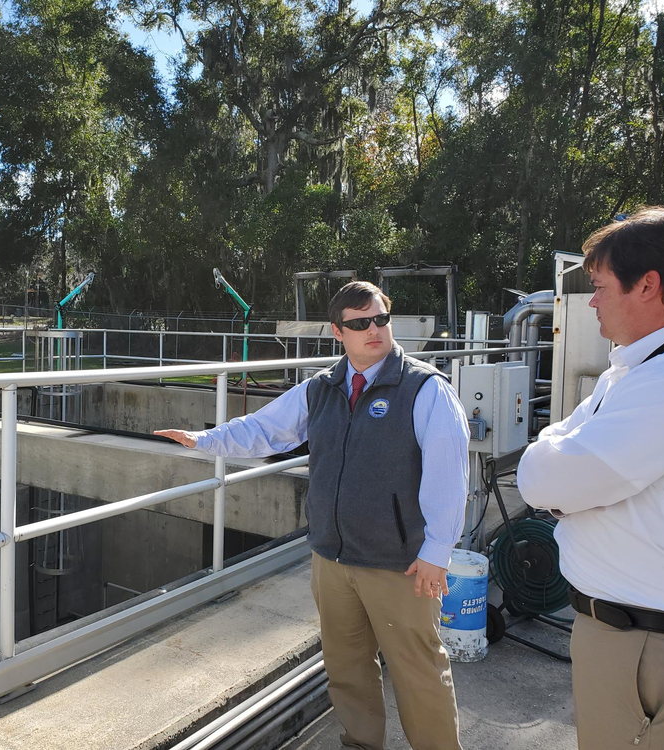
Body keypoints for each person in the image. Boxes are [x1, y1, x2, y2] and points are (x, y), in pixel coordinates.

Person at [156, 281, 469, 750]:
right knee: (347, 669)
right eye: (361, 323)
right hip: (333, 560)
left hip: (400, 564)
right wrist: (205, 441)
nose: (374, 331)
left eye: (381, 319)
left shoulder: (425, 389)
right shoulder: (320, 389)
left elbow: (449, 472)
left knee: (419, 671)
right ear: (337, 331)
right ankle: (360, 743)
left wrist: (437, 551)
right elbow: (264, 430)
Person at [517, 206, 664, 750]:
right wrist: (566, 469)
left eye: (599, 285)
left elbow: (540, 479)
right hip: (631, 633)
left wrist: (559, 469)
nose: (590, 301)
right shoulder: (636, 368)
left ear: (648, 285)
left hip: (650, 647)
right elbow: (561, 456)